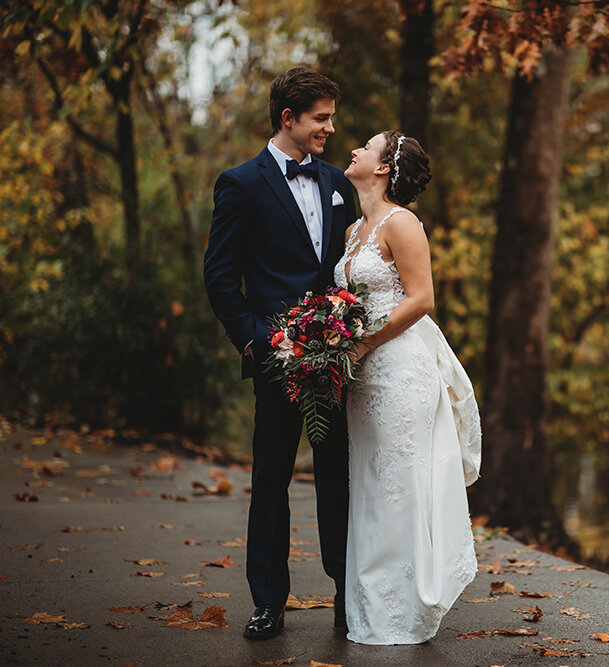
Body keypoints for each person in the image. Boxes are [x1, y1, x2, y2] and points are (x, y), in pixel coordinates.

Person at [203, 67, 356, 640]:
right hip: (275, 361)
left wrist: (347, 330)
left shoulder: (340, 184)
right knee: (270, 481)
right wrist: (259, 341)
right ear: (288, 118)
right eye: (321, 119)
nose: (330, 129)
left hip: (337, 360)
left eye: (332, 118)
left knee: (337, 480)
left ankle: (346, 596)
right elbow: (220, 280)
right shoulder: (240, 184)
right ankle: (268, 601)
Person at [335, 131, 481, 644]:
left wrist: (364, 343)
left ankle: (406, 612)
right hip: (362, 376)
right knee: (371, 488)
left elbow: (421, 298)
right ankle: (372, 611)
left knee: (399, 486)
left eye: (366, 146)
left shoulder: (403, 223)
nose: (354, 149)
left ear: (382, 168)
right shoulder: (355, 228)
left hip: (399, 371)